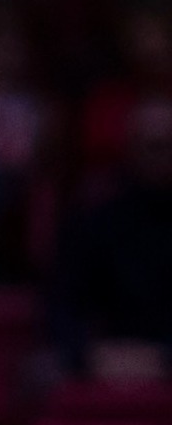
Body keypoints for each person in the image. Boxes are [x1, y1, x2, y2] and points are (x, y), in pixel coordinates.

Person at [53, 96, 172, 383]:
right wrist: (86, 353)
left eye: (166, 145)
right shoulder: (95, 220)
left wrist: (163, 357)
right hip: (104, 357)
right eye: (151, 146)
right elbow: (62, 303)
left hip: (166, 356)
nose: (160, 156)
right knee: (40, 371)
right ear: (130, 148)